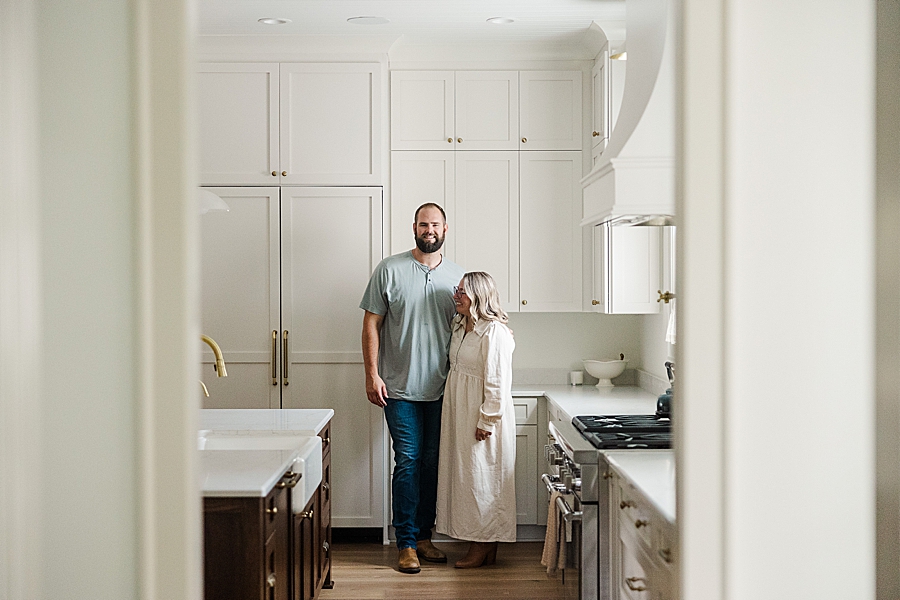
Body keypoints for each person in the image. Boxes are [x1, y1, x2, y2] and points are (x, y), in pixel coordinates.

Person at [359, 203, 465, 574]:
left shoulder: (458, 277)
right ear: (414, 228)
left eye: (435, 224)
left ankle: (424, 536)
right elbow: (371, 324)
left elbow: (474, 323)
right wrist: (372, 374)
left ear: (446, 229)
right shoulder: (389, 269)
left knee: (432, 462)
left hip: (444, 389)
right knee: (407, 460)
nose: (429, 230)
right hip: (398, 388)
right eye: (423, 224)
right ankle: (405, 542)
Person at [436, 271, 516, 568]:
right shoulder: (462, 326)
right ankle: (486, 545)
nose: (456, 296)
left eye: (462, 292)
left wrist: (487, 419)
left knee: (483, 477)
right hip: (460, 409)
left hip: (480, 412)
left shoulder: (494, 332)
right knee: (467, 477)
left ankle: (481, 545)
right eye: (457, 291)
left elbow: (497, 380)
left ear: (479, 296)